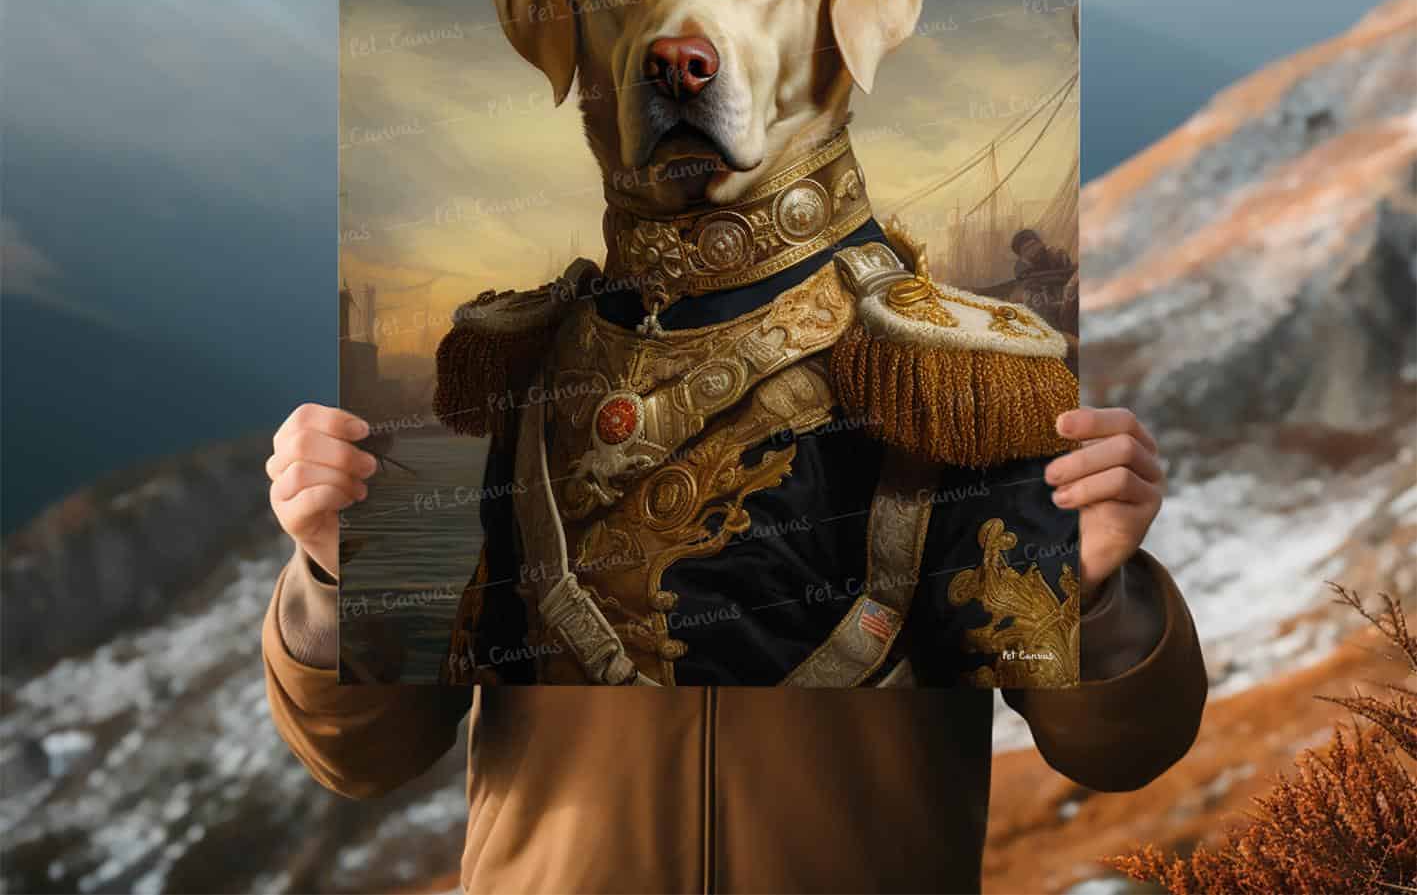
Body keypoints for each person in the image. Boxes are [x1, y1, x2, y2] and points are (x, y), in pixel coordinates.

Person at [263, 391, 1204, 893]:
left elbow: (1119, 749)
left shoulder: (951, 384)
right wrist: (345, 578)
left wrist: (1087, 595)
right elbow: (368, 753)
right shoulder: (498, 377)